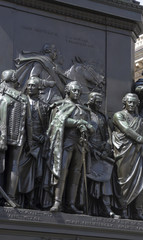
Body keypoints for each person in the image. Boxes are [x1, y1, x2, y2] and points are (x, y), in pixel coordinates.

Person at [48, 81, 94, 213]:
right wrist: (78, 122)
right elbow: (59, 121)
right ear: (68, 91)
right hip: (65, 143)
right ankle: (57, 202)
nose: (77, 93)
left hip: (81, 145)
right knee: (62, 171)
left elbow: (91, 126)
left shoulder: (84, 109)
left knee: (76, 174)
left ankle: (71, 204)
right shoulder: (61, 105)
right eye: (74, 90)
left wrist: (88, 127)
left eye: (79, 91)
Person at [112, 93, 143, 220]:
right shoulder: (118, 115)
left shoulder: (139, 119)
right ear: (124, 102)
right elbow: (127, 130)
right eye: (129, 102)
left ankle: (137, 211)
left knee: (141, 182)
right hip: (124, 151)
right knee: (124, 181)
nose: (131, 105)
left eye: (134, 103)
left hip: (139, 152)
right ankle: (123, 210)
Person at [0, 69, 28, 206]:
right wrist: (30, 140)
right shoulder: (23, 98)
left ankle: (1, 197)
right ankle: (11, 197)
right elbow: (28, 122)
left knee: (1, 165)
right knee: (13, 165)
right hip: (18, 136)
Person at [18, 77, 49, 209]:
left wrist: (43, 136)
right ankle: (19, 199)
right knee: (21, 172)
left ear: (38, 89)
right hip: (24, 143)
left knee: (37, 173)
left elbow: (48, 126)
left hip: (38, 144)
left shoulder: (43, 105)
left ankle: (32, 201)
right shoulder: (20, 102)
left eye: (33, 86)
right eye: (29, 85)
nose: (30, 87)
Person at [86, 92, 116, 217]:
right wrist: (91, 149)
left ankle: (106, 207)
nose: (99, 104)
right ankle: (85, 207)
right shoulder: (85, 114)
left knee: (105, 179)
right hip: (88, 151)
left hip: (101, 152)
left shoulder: (102, 117)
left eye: (100, 102)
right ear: (90, 101)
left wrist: (106, 149)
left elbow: (108, 136)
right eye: (97, 102)